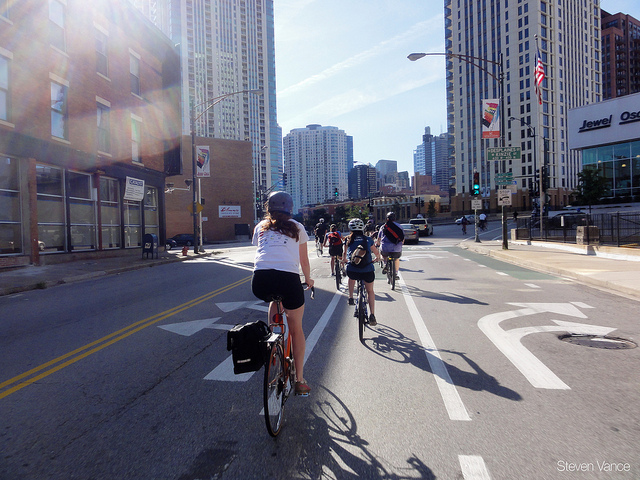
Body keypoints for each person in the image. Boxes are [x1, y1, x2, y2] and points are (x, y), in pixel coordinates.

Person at [251, 191, 314, 396]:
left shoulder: (260, 227)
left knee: (273, 298)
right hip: (288, 280)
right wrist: (309, 279)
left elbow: (261, 251)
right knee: (296, 329)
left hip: (260, 281)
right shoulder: (298, 227)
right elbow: (303, 262)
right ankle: (300, 379)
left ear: (269, 208)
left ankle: (273, 343)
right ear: (290, 208)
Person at [342, 218, 380, 326]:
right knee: (370, 291)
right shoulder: (368, 239)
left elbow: (344, 254)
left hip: (353, 270)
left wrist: (345, 260)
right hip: (367, 270)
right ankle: (372, 315)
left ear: (350, 228)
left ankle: (350, 297)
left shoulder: (348, 239)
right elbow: (376, 253)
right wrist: (377, 258)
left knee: (351, 277)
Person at [377, 212, 404, 280]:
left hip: (385, 247)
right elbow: (402, 238)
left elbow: (379, 239)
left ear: (387, 218)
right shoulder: (399, 226)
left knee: (382, 253)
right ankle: (395, 273)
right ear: (395, 218)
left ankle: (385, 264)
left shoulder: (383, 226)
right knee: (396, 259)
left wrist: (378, 244)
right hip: (396, 248)